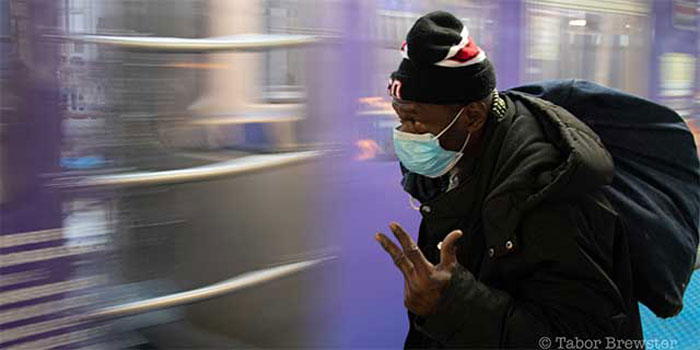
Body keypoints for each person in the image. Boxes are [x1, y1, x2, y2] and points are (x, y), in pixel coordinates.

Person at [374, 11, 644, 349]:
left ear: (472, 116)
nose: (405, 135)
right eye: (401, 119)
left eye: (415, 121)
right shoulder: (454, 166)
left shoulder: (548, 194)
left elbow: (587, 338)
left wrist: (452, 304)